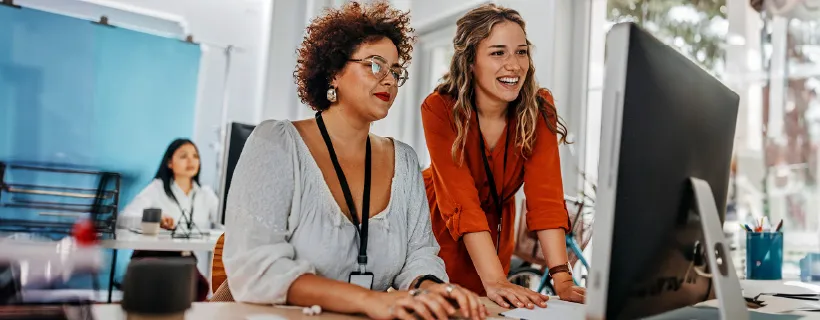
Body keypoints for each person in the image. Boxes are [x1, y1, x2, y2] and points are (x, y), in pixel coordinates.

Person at [222, 2, 488, 320]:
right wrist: (369, 300)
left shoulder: (403, 160)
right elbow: (256, 268)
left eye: (396, 71)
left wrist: (433, 289)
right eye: (375, 66)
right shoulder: (276, 143)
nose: (389, 80)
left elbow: (419, 255)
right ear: (334, 72)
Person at [420, 3, 586, 309]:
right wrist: (495, 280)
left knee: (495, 309)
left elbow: (546, 198)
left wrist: (562, 278)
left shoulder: (539, 108)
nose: (514, 65)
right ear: (470, 60)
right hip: (442, 223)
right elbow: (461, 202)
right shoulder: (439, 108)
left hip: (496, 229)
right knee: (450, 308)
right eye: (498, 53)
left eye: (521, 52)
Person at [118, 138, 219, 301]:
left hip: (185, 260)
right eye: (183, 156)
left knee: (198, 288)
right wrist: (155, 219)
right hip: (152, 256)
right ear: (170, 163)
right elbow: (124, 219)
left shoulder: (205, 194)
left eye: (195, 156)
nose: (191, 161)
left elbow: (227, 221)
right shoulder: (156, 188)